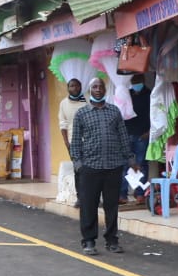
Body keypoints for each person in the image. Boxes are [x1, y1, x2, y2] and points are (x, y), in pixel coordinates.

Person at [70, 77, 130, 256]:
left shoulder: (114, 111)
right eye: (94, 87)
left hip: (113, 166)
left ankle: (112, 240)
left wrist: (130, 158)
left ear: (105, 90)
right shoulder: (82, 113)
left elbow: (123, 136)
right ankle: (89, 241)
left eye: (100, 86)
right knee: (89, 205)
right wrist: (78, 163)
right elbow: (75, 141)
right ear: (89, 91)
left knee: (112, 206)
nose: (98, 89)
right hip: (90, 167)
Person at [122, 74, 152, 205]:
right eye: (133, 81)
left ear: (143, 81)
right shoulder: (126, 94)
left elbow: (154, 114)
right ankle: (122, 194)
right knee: (124, 165)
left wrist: (149, 132)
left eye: (138, 81)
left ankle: (140, 193)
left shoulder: (150, 95)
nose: (136, 83)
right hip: (127, 134)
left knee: (141, 165)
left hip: (142, 135)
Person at [58, 78, 87, 209]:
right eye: (72, 86)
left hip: (89, 142)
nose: (74, 88)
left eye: (77, 86)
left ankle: (93, 198)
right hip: (73, 143)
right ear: (68, 88)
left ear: (81, 87)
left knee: (92, 171)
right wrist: (66, 143)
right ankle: (80, 198)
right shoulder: (64, 103)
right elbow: (62, 125)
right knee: (78, 171)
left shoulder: (87, 101)